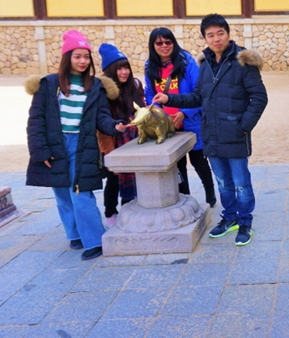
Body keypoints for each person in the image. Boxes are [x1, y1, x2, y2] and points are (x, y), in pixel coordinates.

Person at [152, 14, 267, 246]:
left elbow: (259, 97)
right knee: (223, 182)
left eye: (220, 33)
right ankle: (230, 217)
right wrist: (169, 98)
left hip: (235, 134)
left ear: (228, 33)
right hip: (212, 134)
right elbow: (197, 96)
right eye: (210, 35)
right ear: (205, 38)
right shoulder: (204, 65)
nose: (216, 39)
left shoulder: (244, 61)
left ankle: (245, 220)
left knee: (241, 181)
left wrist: (243, 126)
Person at [26, 30, 128, 261]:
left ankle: (94, 239)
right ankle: (75, 234)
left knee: (80, 190)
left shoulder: (95, 86)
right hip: (54, 143)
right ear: (67, 57)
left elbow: (101, 117)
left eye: (86, 57)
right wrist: (39, 150)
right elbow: (36, 119)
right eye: (77, 56)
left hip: (82, 145)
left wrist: (115, 126)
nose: (82, 61)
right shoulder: (49, 84)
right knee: (61, 191)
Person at [144, 27, 217, 207]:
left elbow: (199, 91)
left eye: (168, 42)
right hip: (167, 124)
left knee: (199, 160)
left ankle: (209, 191)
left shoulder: (186, 61)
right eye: (159, 43)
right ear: (153, 46)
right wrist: (158, 115)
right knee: (177, 163)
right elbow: (149, 93)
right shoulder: (150, 66)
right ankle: (185, 196)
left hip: (190, 120)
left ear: (173, 42)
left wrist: (185, 113)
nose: (164, 46)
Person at [97, 43, 145, 227]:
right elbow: (100, 126)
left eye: (126, 68)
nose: (124, 72)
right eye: (119, 69)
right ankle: (110, 212)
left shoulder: (134, 86)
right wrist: (108, 153)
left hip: (134, 139)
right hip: (115, 141)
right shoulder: (103, 91)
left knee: (134, 176)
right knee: (115, 177)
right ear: (110, 71)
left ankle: (130, 208)